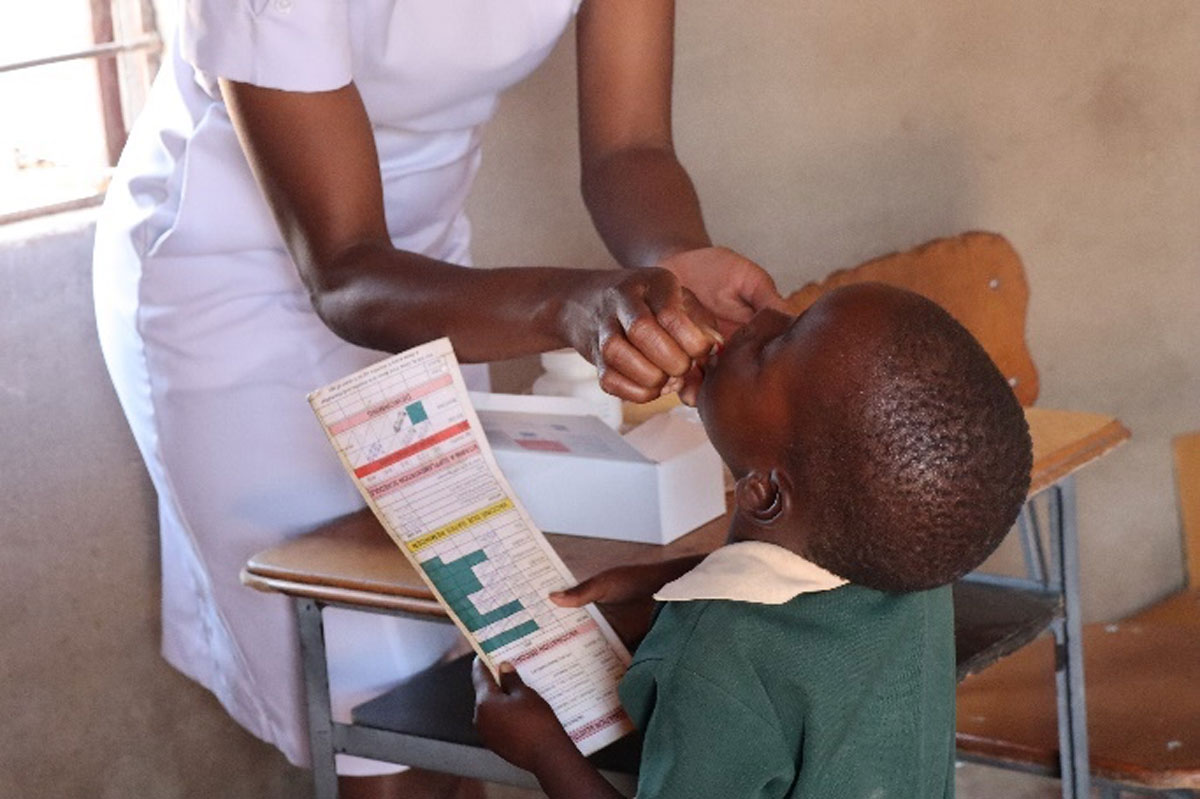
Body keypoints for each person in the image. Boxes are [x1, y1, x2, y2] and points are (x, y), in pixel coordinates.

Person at [91, 1, 785, 794]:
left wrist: (672, 258)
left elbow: (630, 146)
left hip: (444, 289)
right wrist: (571, 308)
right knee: (375, 709)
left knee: (466, 662)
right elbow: (346, 268)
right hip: (239, 287)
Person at [472, 283, 1033, 799]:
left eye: (771, 349)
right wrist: (676, 579)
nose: (762, 317)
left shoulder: (715, 659)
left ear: (763, 494)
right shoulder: (910, 573)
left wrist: (543, 751)